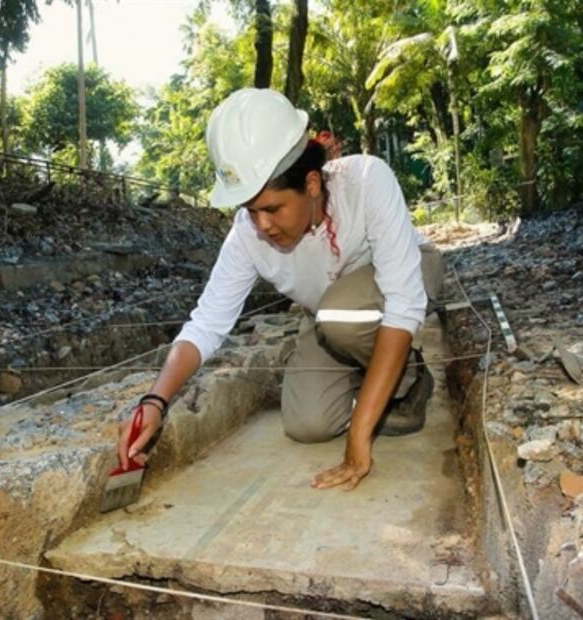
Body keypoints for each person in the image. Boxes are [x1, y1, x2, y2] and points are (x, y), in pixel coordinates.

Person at [119, 88, 444, 491]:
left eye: (271, 208)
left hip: (404, 282)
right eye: (250, 211)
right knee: (308, 423)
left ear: (310, 183)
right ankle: (372, 370)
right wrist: (154, 401)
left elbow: (403, 302)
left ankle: (409, 380)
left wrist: (360, 435)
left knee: (340, 315)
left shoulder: (366, 180)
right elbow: (205, 324)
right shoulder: (247, 236)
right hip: (333, 315)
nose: (262, 225)